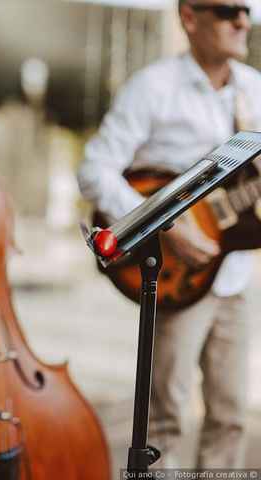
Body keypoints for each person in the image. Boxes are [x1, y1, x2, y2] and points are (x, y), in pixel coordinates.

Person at [78, 0, 261, 468]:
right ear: (189, 17)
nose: (243, 20)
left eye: (246, 10)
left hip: (235, 275)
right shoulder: (153, 87)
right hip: (178, 279)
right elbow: (95, 168)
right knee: (167, 420)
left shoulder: (254, 91)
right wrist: (165, 225)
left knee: (232, 416)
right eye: (228, 10)